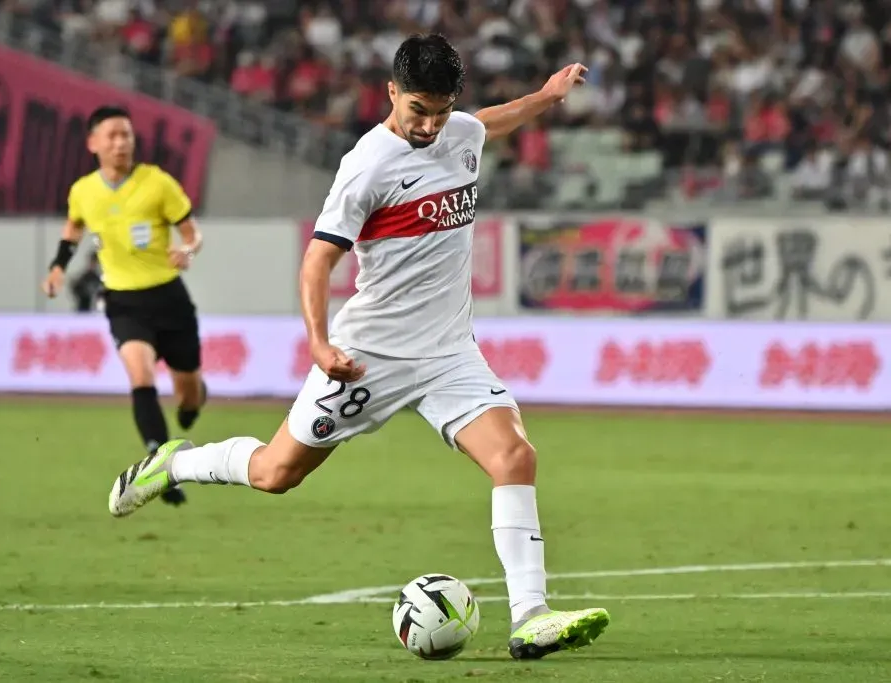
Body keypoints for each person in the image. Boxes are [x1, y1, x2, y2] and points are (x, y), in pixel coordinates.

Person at [107, 35, 610, 658]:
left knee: (515, 458)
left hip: (449, 351)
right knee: (275, 473)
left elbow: (487, 124)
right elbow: (317, 263)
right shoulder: (367, 165)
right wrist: (319, 344)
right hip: (369, 355)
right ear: (392, 92)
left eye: (441, 111)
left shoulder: (458, 131)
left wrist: (547, 96)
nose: (429, 125)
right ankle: (174, 463)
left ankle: (531, 617)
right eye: (417, 109)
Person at [44, 105, 207, 507]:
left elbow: (192, 232)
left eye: (127, 136)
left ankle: (192, 406)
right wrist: (57, 267)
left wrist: (187, 250)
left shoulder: (157, 183)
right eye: (113, 135)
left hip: (169, 298)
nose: (121, 143)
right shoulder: (83, 191)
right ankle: (159, 464)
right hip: (122, 301)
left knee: (188, 394)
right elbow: (73, 229)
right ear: (93, 143)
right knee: (140, 375)